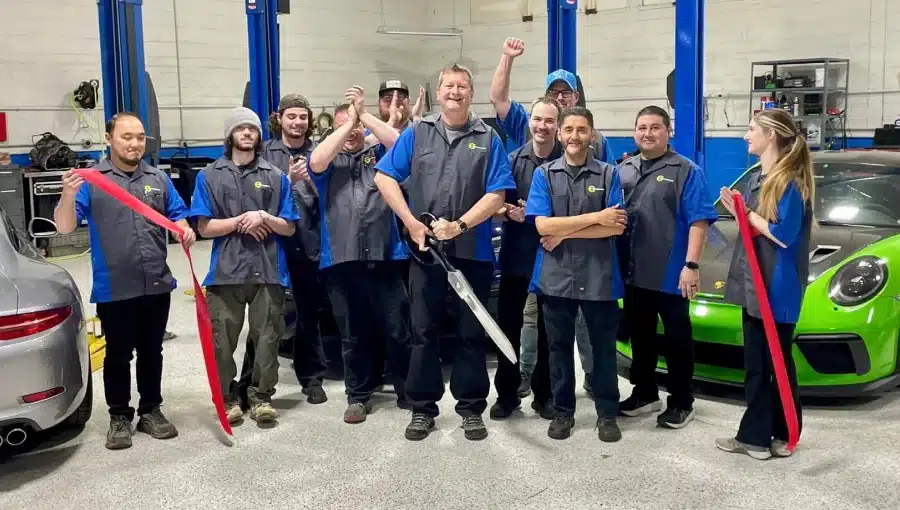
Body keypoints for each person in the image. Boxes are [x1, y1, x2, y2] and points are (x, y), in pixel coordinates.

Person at [374, 64, 516, 441]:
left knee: (471, 334)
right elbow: (384, 176)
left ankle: (470, 408)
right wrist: (410, 222)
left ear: (472, 93)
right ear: (439, 92)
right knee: (424, 331)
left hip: (473, 254)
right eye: (449, 85)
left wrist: (460, 226)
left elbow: (497, 193)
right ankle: (423, 408)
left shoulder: (489, 138)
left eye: (463, 86)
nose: (455, 91)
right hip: (426, 255)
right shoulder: (418, 133)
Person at [54, 112, 195, 450]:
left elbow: (178, 215)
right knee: (117, 355)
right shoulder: (92, 181)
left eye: (140, 137)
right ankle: (119, 416)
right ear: (108, 139)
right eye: (126, 136)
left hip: (156, 283)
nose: (134, 143)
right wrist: (69, 195)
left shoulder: (158, 179)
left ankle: (151, 410)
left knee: (152, 351)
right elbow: (64, 227)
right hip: (114, 287)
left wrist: (185, 230)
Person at [189, 107, 299, 425]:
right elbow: (205, 228)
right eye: (241, 129)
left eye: (253, 128)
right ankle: (226, 399)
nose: (248, 133)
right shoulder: (208, 176)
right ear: (230, 136)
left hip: (268, 271)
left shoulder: (276, 178)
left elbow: (289, 227)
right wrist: (241, 221)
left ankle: (260, 397)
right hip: (226, 271)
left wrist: (263, 217)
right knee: (222, 341)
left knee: (267, 339)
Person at [308, 86, 412, 424]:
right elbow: (316, 159)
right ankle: (358, 395)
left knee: (397, 328)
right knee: (353, 333)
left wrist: (363, 115)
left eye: (355, 128)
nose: (350, 132)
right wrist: (347, 122)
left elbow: (400, 143)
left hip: (385, 256)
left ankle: (406, 390)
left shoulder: (379, 154)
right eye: (342, 126)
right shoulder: (326, 163)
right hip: (342, 260)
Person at [525, 106, 627, 441]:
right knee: (558, 349)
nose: (574, 136)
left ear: (592, 135)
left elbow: (613, 230)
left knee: (602, 350)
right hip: (556, 278)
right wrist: (596, 218)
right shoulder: (544, 175)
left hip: (600, 277)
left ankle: (607, 414)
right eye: (568, 129)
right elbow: (542, 224)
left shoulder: (610, 175)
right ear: (559, 134)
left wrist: (563, 232)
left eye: (582, 130)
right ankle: (563, 412)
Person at [715, 109, 813, 460]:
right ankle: (784, 431)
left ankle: (756, 439)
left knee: (763, 366)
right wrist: (739, 210)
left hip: (775, 289)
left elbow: (784, 234)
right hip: (758, 286)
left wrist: (746, 213)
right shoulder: (762, 177)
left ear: (771, 135)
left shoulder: (789, 181)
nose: (746, 136)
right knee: (771, 363)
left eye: (752, 129)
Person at [616, 105, 718, 429]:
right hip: (633, 273)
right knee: (640, 336)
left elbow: (699, 220)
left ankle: (682, 401)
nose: (648, 133)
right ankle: (645, 392)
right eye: (642, 127)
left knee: (677, 340)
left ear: (668, 131)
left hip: (671, 273)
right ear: (635, 131)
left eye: (655, 127)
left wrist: (691, 264)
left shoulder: (686, 170)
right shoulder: (624, 169)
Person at [232, 93, 329, 407]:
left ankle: (312, 380)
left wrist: (310, 181)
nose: (297, 122)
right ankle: (247, 384)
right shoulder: (264, 153)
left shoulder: (319, 153)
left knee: (308, 316)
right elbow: (255, 198)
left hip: (309, 244)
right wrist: (288, 180)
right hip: (271, 246)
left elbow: (329, 198)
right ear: (280, 119)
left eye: (303, 117)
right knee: (263, 318)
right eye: (292, 116)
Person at [490, 96, 563, 421]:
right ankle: (506, 395)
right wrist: (510, 212)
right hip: (516, 259)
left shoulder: (567, 161)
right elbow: (495, 202)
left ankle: (544, 395)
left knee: (550, 331)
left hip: (554, 260)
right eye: (538, 119)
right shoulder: (512, 159)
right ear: (529, 121)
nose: (542, 126)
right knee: (509, 328)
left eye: (549, 121)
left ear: (557, 126)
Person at [489, 37, 617, 164]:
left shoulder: (596, 140)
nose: (560, 98)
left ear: (576, 97)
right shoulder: (529, 125)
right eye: (554, 92)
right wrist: (507, 56)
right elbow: (499, 99)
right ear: (546, 96)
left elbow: (610, 177)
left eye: (566, 92)